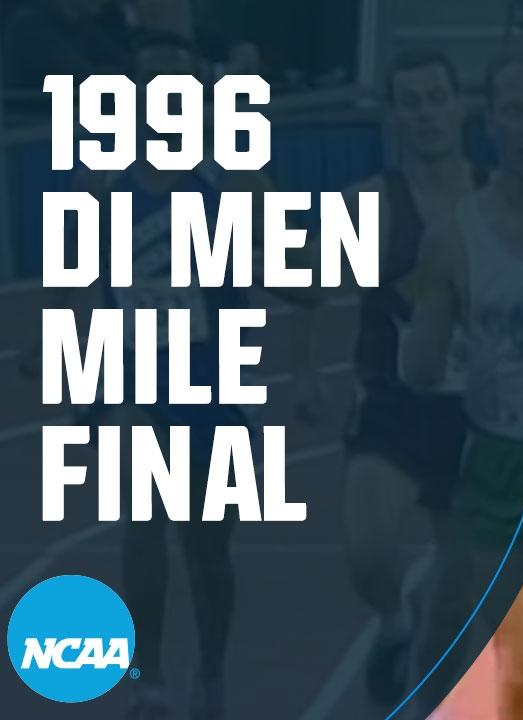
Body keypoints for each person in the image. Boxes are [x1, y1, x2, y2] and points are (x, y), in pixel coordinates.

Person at [93, 32, 322, 720]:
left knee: (205, 548)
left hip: (215, 389)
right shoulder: (104, 186)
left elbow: (300, 283)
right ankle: (147, 682)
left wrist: (306, 366)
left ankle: (212, 672)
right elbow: (87, 285)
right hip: (136, 385)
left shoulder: (231, 181)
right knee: (141, 530)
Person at [400, 50, 523, 720]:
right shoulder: (454, 236)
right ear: (490, 122)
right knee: (518, 657)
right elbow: (419, 370)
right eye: (515, 111)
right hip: (498, 461)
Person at [339, 48, 474, 705]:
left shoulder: (498, 194)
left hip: (476, 411)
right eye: (411, 103)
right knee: (368, 552)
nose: (426, 115)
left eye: (436, 100)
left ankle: (430, 667)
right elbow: (315, 289)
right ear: (393, 116)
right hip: (393, 404)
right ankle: (393, 621)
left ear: (460, 107)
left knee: (461, 588)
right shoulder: (371, 202)